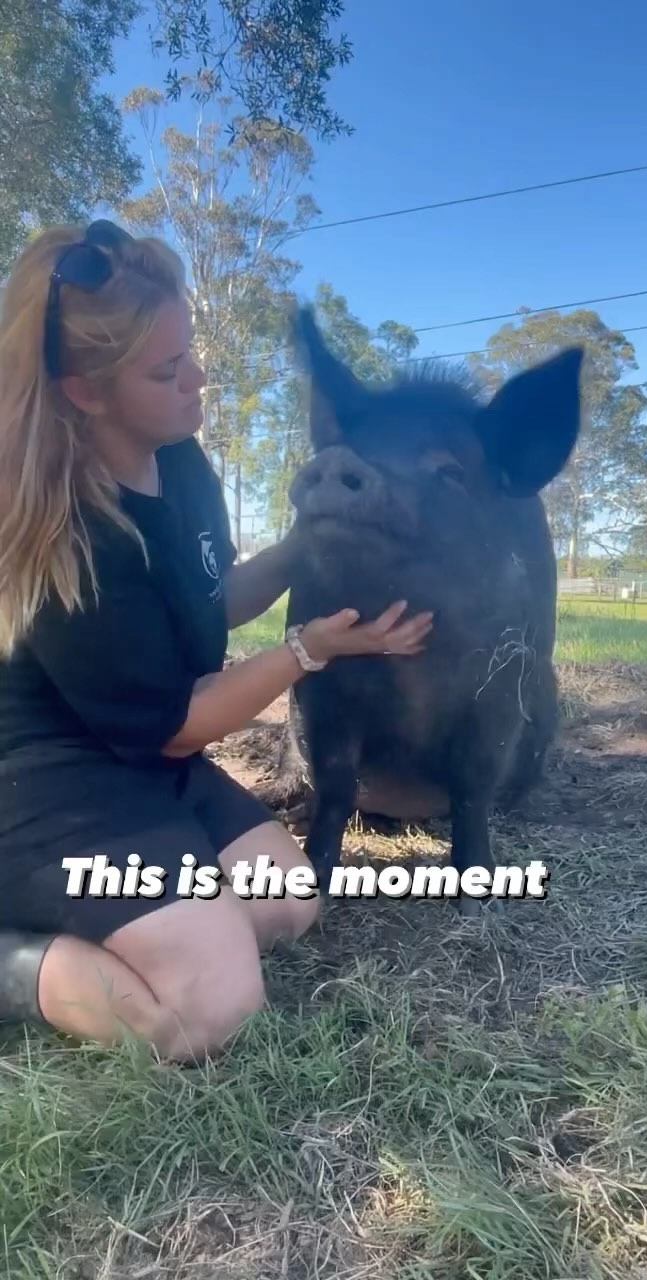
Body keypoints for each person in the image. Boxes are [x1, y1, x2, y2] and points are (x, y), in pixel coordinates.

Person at [0, 219, 433, 1062]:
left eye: (190, 351)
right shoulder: (73, 534)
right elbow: (178, 723)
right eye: (167, 371)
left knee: (285, 903)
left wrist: (308, 540)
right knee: (212, 1011)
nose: (199, 378)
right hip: (46, 786)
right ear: (85, 392)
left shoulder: (181, 464)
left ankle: (145, 918)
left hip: (139, 767)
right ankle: (22, 965)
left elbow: (209, 601)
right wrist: (307, 652)